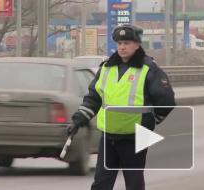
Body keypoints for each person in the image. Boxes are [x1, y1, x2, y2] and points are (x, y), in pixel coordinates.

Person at [67, 24, 176, 190]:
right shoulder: (106, 68)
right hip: (109, 137)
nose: (122, 47)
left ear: (137, 44)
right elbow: (93, 98)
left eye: (127, 43)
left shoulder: (149, 69)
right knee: (101, 184)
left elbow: (166, 100)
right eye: (119, 43)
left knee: (133, 184)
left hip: (134, 138)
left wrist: (150, 121)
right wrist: (78, 120)